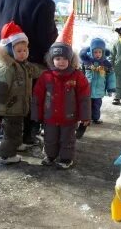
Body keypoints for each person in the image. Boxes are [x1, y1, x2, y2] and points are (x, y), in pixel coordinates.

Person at [0, 0, 69, 146]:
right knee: (27, 98)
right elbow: (46, 37)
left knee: (4, 91)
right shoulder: (44, 2)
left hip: (2, 54)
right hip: (29, 59)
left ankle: (4, 132)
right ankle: (26, 136)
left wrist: (4, 45)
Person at [32, 14, 91, 169]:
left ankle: (66, 158)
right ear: (52, 60)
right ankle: (50, 155)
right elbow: (37, 97)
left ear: (70, 60)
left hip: (69, 118)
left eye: (65, 59)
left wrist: (85, 117)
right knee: (50, 138)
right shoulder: (46, 76)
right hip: (50, 117)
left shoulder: (77, 76)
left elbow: (84, 97)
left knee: (67, 140)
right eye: (57, 59)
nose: (61, 62)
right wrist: (36, 116)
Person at [0, 21, 45, 164]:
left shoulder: (24, 66)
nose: (23, 53)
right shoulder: (7, 68)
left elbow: (36, 71)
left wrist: (49, 70)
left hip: (19, 108)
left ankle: (16, 145)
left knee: (16, 130)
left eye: (25, 50)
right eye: (19, 51)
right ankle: (6, 155)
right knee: (11, 134)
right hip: (10, 109)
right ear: (9, 50)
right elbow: (0, 90)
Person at [79, 37, 115, 124]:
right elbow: (80, 75)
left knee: (97, 105)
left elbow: (111, 76)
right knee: (87, 105)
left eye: (100, 52)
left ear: (103, 52)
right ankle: (86, 118)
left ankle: (95, 118)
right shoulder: (86, 62)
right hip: (87, 89)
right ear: (91, 51)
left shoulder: (106, 64)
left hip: (99, 90)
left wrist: (110, 88)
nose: (97, 54)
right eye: (95, 52)